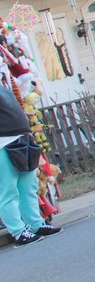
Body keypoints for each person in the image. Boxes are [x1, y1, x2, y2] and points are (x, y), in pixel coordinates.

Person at [1, 82, 62, 247]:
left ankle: (35, 224)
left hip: (20, 138)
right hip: (2, 145)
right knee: (8, 192)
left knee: (29, 187)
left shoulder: (3, 88)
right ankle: (19, 232)